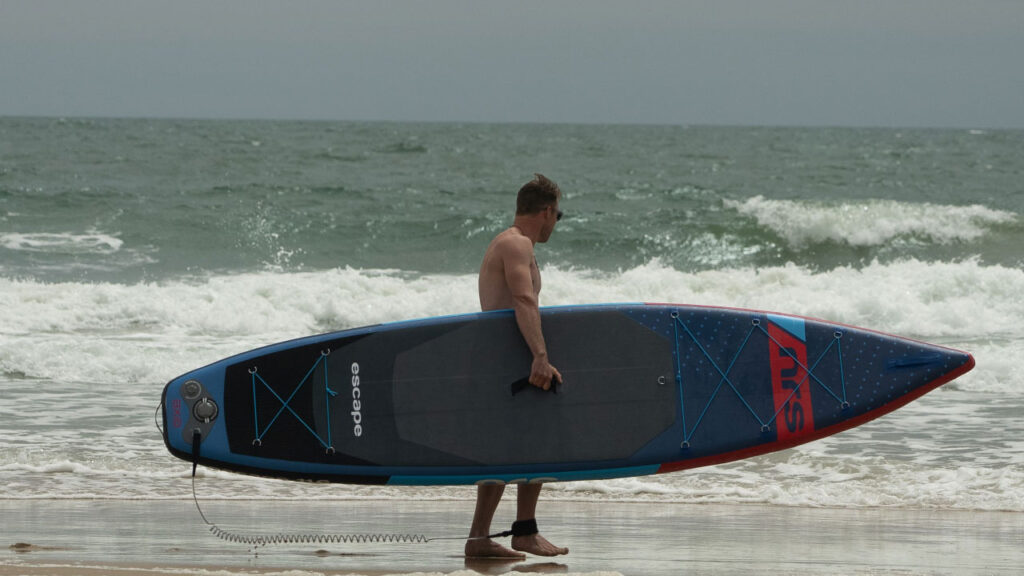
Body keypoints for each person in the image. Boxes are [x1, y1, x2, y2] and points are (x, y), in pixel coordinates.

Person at [466, 173, 569, 559]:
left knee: (529, 443)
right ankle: (482, 538)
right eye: (558, 215)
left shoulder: (513, 243)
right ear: (546, 211)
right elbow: (524, 300)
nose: (556, 223)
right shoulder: (516, 244)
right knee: (506, 448)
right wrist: (540, 357)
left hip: (508, 355)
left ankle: (520, 531)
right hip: (507, 360)